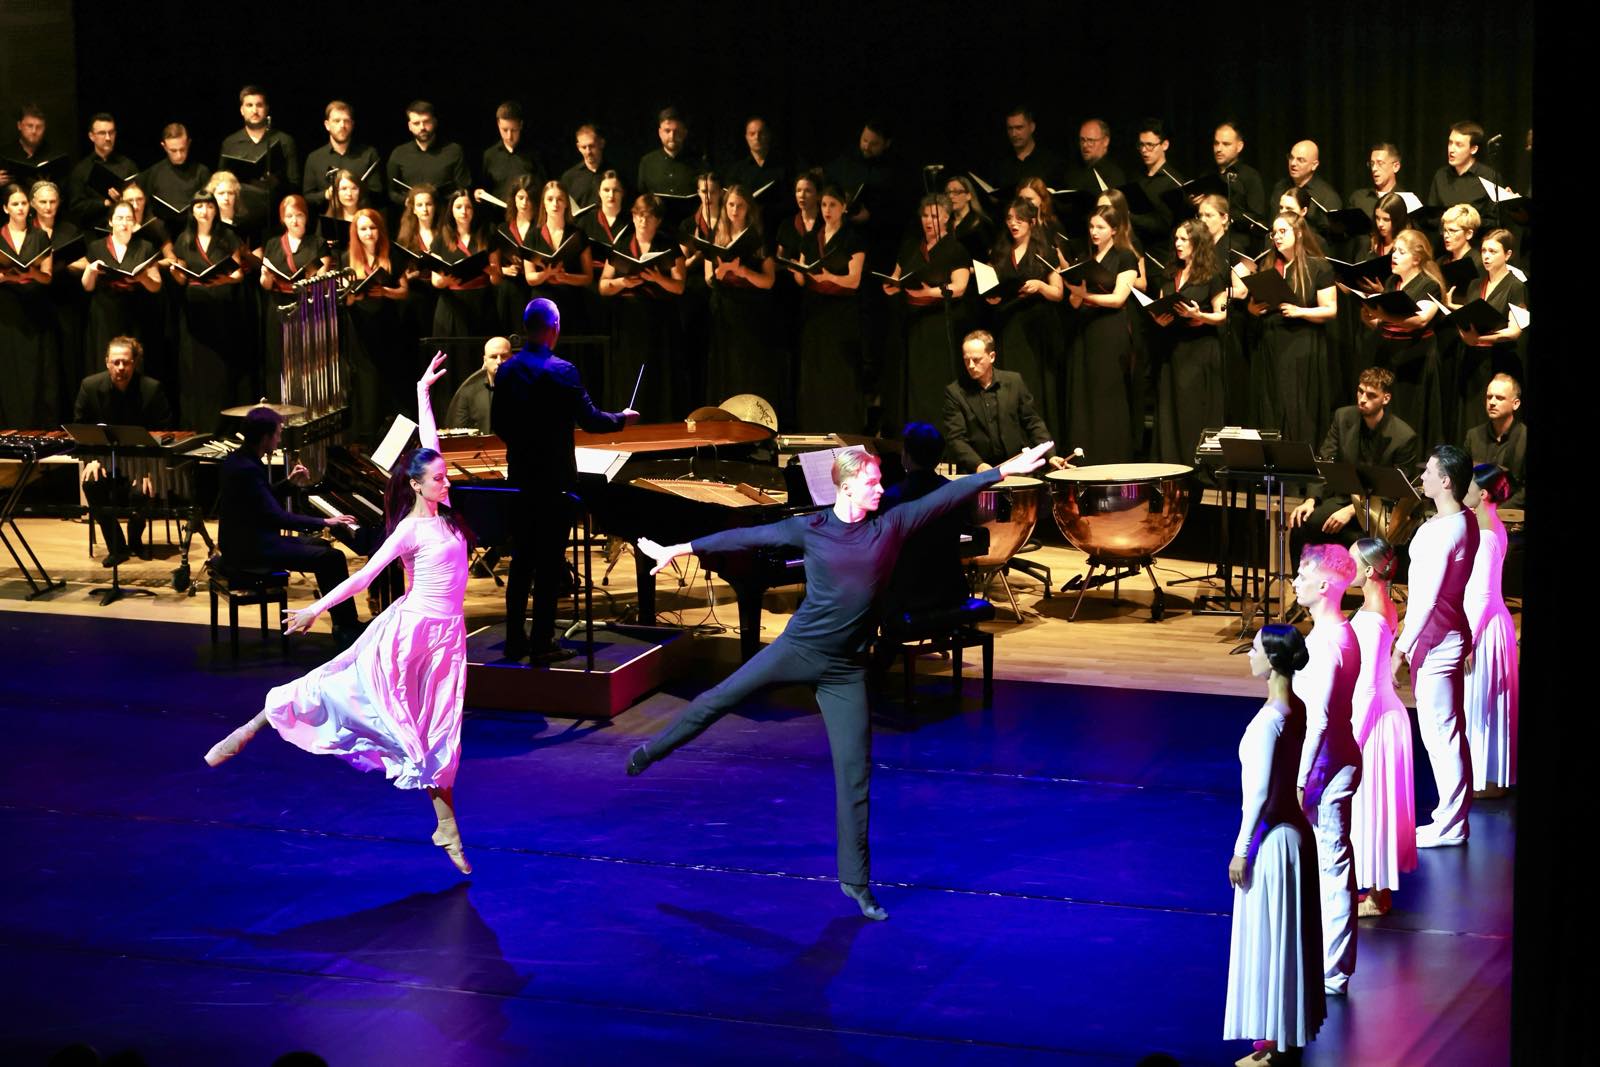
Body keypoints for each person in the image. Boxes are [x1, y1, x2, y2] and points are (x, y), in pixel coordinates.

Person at [628, 439, 1057, 920]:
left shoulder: (891, 525)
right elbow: (748, 536)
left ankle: (856, 882)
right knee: (717, 699)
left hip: (846, 671)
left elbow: (945, 496)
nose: (882, 489)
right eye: (873, 482)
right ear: (847, 487)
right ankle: (650, 752)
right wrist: (678, 549)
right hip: (796, 651)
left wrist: (1004, 469)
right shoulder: (811, 528)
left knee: (855, 776)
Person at [203, 355, 477, 877]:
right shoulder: (409, 530)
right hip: (410, 633)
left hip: (448, 639)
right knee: (345, 691)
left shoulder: (442, 509)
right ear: (417, 485)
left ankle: (446, 826)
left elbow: (430, 444)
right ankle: (254, 724)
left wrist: (423, 391)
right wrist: (316, 607)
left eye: (444, 478)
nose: (447, 483)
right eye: (439, 479)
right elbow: (361, 578)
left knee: (441, 734)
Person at [490, 298, 638, 661]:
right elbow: (591, 420)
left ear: (527, 327)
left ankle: (514, 641)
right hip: (555, 483)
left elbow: (499, 425)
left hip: (520, 479)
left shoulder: (507, 371)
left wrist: (524, 447)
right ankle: (542, 644)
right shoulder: (563, 371)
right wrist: (622, 419)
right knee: (548, 564)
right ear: (554, 328)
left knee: (522, 563)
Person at [1224, 623, 1325, 1065]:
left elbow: (1259, 794)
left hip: (1273, 840)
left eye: (1255, 649)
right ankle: (1283, 1034)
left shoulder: (1270, 721)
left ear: (1273, 660)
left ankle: (1276, 1043)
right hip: (1294, 836)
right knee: (1285, 940)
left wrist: (1241, 849)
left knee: (1272, 939)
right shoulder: (1295, 707)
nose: (1250, 655)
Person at [1393, 445, 1479, 848]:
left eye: (1428, 471)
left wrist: (1400, 649)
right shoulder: (1465, 520)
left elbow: (1426, 601)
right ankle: (1451, 818)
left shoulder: (1441, 532)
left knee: (1442, 734)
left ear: (1445, 481)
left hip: (1438, 640)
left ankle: (1451, 824)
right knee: (1446, 732)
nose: (1422, 477)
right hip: (1448, 635)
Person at [217, 405, 361, 643]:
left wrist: (289, 482)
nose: (279, 439)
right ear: (265, 437)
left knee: (323, 548)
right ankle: (346, 627)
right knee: (332, 558)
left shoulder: (240, 460)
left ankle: (343, 623)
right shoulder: (247, 468)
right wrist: (326, 521)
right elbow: (278, 517)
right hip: (250, 551)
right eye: (277, 434)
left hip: (248, 541)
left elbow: (260, 501)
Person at [1289, 544, 1363, 996]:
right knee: (1328, 864)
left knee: (1332, 865)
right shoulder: (1336, 634)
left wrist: (1300, 781)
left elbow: (1318, 720)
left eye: (1301, 575)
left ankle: (1334, 970)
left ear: (1323, 585)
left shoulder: (1328, 643)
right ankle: (1327, 960)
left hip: (1328, 766)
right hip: (1333, 760)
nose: (1294, 582)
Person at [1346, 537, 1417, 918]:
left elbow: (1370, 687)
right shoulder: (1381, 606)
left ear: (1370, 570)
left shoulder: (1373, 619)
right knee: (1373, 805)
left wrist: (1351, 738)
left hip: (1375, 721)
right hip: (1383, 715)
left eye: (1353, 561)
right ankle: (1377, 891)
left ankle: (1377, 895)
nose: (1347, 567)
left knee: (1372, 805)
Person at [1289, 367, 1420, 555]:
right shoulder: (1343, 417)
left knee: (1360, 536)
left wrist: (1353, 510)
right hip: (1344, 498)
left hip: (1379, 509)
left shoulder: (1404, 436)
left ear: (1386, 399)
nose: (1362, 399)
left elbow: (1397, 491)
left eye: (1371, 395)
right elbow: (1324, 461)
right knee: (1301, 523)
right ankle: (1303, 575)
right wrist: (1310, 500)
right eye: (1360, 391)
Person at [72, 337, 172, 565]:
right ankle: (117, 547)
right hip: (103, 462)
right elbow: (81, 429)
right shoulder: (90, 386)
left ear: (134, 363)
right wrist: (92, 459)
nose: (120, 367)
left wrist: (149, 470)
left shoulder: (151, 389)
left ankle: (135, 540)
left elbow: (163, 433)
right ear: (107, 362)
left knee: (143, 492)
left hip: (141, 463)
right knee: (91, 484)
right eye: (115, 362)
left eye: (125, 362)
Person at [1247, 212, 1336, 445]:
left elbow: (1330, 310)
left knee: (1297, 404)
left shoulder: (1318, 266)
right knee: (1271, 402)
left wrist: (1300, 311)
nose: (1277, 237)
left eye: (1282, 231)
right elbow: (1252, 306)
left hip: (1301, 343)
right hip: (1271, 342)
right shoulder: (1268, 265)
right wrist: (1254, 309)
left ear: (1298, 233)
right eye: (1274, 233)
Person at [881, 193, 970, 426]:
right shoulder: (911, 246)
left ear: (946, 218)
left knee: (935, 379)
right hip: (911, 322)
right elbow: (896, 276)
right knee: (913, 380)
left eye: (934, 216)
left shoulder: (955, 249)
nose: (928, 221)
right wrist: (892, 285)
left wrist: (928, 292)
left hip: (938, 322)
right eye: (925, 216)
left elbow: (960, 287)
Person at [597, 193, 687, 417]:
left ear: (658, 220)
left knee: (659, 369)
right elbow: (603, 286)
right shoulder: (622, 244)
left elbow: (679, 287)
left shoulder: (668, 245)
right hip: (629, 316)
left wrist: (658, 278)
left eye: (649, 217)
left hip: (660, 316)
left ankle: (660, 418)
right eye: (639, 215)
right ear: (633, 216)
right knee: (629, 371)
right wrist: (623, 282)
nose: (643, 221)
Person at [788, 183, 866, 433]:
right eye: (823, 205)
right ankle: (814, 425)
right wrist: (796, 271)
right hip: (814, 311)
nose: (827, 210)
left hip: (841, 311)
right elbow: (802, 279)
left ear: (843, 208)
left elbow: (854, 280)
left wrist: (828, 277)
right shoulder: (811, 237)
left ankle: (842, 426)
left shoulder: (852, 238)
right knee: (815, 368)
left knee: (838, 369)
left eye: (832, 205)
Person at [168, 189, 246, 431]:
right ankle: (196, 425)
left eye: (210, 206)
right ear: (192, 211)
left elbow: (238, 273)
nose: (205, 211)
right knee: (194, 368)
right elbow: (182, 279)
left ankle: (222, 426)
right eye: (199, 206)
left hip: (221, 306)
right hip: (194, 307)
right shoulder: (184, 239)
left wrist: (223, 279)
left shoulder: (228, 236)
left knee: (220, 370)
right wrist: (175, 272)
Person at [1151, 218, 1227, 464]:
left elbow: (1222, 315)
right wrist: (1159, 319)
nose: (1178, 244)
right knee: (1170, 408)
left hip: (1199, 349)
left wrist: (1199, 315)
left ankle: (1197, 467)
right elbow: (1160, 304)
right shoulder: (1170, 273)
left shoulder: (1211, 276)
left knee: (1193, 410)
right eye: (1176, 239)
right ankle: (1172, 464)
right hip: (1172, 348)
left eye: (1184, 239)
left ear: (1197, 243)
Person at [984, 197, 1064, 435]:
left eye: (1019, 219)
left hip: (1035, 327)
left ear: (1031, 222)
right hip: (1007, 324)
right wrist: (991, 296)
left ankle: (1037, 439)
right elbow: (990, 285)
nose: (1013, 224)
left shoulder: (1044, 252)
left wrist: (1040, 286)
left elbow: (1058, 293)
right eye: (1010, 219)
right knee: (1008, 382)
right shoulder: (1000, 252)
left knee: (1032, 382)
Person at [1359, 228, 1446, 447]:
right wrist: (1369, 315)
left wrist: (1383, 315)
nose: (1394, 256)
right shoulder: (1392, 282)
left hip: (1415, 358)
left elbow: (1421, 319)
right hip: (1389, 356)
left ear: (1416, 259)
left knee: (1410, 413)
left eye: (1401, 252)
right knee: (1387, 413)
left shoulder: (1429, 284)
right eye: (1394, 250)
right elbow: (1383, 323)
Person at [1066, 205, 1139, 463]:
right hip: (1086, 328)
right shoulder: (1085, 258)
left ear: (1114, 230)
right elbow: (1074, 302)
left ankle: (1113, 457)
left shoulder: (1125, 257)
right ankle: (1086, 457)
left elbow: (1119, 298)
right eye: (1091, 226)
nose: (1094, 232)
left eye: (1100, 227)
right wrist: (1075, 292)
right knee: (1084, 392)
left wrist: (1086, 295)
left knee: (1108, 392)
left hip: (1110, 329)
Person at [1463, 464, 1517, 797]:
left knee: (1479, 703)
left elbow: (1481, 594)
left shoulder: (1485, 535)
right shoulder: (1493, 526)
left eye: (1468, 487)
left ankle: (1482, 780)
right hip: (1492, 622)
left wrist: (1468, 640)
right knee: (1486, 703)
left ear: (1482, 494)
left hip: (1482, 626)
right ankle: (1488, 778)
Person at [941, 330, 1065, 473]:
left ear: (991, 357)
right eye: (966, 360)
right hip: (977, 473)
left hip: (1015, 469)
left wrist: (1050, 455)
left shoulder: (1014, 382)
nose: (970, 365)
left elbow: (1032, 422)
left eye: (976, 359)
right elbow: (956, 438)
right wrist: (978, 465)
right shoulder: (955, 392)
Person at [702, 183, 780, 405]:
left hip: (751, 310)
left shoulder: (758, 238)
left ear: (749, 209)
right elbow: (709, 279)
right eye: (730, 205)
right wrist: (723, 271)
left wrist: (743, 271)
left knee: (749, 366)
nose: (734, 210)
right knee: (726, 364)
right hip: (724, 308)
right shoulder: (716, 235)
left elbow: (768, 281)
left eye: (740, 206)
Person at [342, 208, 409, 442]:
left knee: (389, 374)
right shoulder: (347, 258)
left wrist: (385, 291)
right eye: (363, 229)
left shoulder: (392, 255)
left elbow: (404, 291)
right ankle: (366, 431)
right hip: (360, 326)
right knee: (365, 377)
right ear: (356, 232)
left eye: (372, 228)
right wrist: (353, 297)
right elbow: (345, 299)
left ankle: (390, 428)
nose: (368, 233)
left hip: (387, 323)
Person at [1454, 229, 1527, 437]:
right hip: (1472, 359)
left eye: (1493, 251)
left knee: (1494, 420)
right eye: (1484, 250)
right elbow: (1467, 318)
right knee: (1470, 419)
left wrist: (1479, 338)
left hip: (1499, 360)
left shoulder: (1515, 286)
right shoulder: (1475, 284)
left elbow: (1514, 331)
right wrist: (1464, 332)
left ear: (1508, 255)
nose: (1486, 256)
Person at [81, 199, 161, 378]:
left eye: (128, 218)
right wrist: (90, 271)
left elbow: (156, 285)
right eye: (119, 218)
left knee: (134, 363)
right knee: (104, 364)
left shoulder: (145, 247)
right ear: (110, 221)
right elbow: (87, 287)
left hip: (135, 312)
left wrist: (143, 278)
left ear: (135, 222)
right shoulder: (97, 247)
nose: (124, 223)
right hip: (104, 312)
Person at [0, 181, 55, 427]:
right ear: (5, 208)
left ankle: (36, 426)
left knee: (35, 369)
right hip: (7, 308)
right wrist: (7, 278)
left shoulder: (40, 236)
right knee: (9, 367)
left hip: (34, 307)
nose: (21, 208)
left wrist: (32, 273)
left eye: (23, 203)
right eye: (15, 204)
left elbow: (47, 277)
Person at [219, 86, 300, 222]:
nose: (254, 110)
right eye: (249, 105)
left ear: (266, 108)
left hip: (275, 216)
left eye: (259, 105)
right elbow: (220, 182)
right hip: (241, 216)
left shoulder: (284, 141)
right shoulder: (230, 143)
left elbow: (295, 184)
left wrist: (277, 183)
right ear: (242, 110)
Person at [386, 101, 471, 210]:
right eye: (416, 123)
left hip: (445, 214)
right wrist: (406, 200)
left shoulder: (453, 151)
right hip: (412, 215)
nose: (422, 127)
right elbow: (392, 191)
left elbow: (463, 187)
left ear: (434, 122)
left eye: (426, 122)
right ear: (410, 126)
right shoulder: (399, 153)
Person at [303, 100, 383, 212]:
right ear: (327, 125)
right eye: (336, 121)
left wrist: (355, 191)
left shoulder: (369, 154)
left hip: (360, 219)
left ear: (352, 125)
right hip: (327, 220)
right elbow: (307, 197)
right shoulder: (315, 158)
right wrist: (326, 194)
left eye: (346, 121)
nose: (342, 125)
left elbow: (377, 192)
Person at [1464, 374, 1526, 508]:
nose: (1492, 402)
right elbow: (1464, 478)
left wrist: (1494, 511)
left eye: (1499, 398)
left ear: (1515, 404)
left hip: (1510, 514)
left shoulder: (1524, 438)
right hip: (1476, 511)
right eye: (1489, 397)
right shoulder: (1473, 436)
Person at [66, 113, 137, 229]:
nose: (108, 138)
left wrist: (121, 200)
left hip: (125, 228)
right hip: (93, 231)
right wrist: (105, 203)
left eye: (111, 132)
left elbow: (139, 199)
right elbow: (76, 207)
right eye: (102, 133)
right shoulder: (81, 169)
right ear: (91, 136)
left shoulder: (128, 166)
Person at [1128, 118, 1185, 254]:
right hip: (1134, 251)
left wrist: (1129, 216)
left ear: (1164, 145)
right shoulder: (1137, 176)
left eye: (1150, 145)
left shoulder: (1173, 182)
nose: (1144, 150)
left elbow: (1164, 225)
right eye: (1141, 145)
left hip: (1160, 256)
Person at [1269, 140, 1342, 242]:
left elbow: (1331, 239)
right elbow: (1272, 224)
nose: (1293, 163)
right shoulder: (1280, 188)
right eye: (1291, 157)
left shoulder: (1327, 196)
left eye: (1300, 160)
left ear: (1314, 165)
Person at [1426, 122, 1503, 217]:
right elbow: (1431, 216)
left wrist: (1468, 221)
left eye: (1459, 145)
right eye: (1450, 143)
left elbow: (1495, 219)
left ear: (1473, 149)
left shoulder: (1490, 177)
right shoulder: (1441, 175)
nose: (1451, 150)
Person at [478, 100, 542, 205]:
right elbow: (484, 188)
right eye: (505, 130)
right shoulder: (490, 155)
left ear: (521, 125)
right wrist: (479, 193)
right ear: (498, 124)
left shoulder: (534, 154)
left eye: (514, 130)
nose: (509, 136)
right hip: (498, 214)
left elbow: (543, 187)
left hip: (527, 212)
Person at [989, 105, 1065, 191]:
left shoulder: (1050, 162)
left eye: (1019, 128)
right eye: (1010, 128)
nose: (1013, 134)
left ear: (1032, 127)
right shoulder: (1000, 164)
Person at [140, 123, 211, 213]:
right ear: (164, 147)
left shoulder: (201, 172)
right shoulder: (153, 173)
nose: (179, 155)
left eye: (182, 149)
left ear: (188, 144)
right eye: (173, 150)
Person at [445, 336, 511, 432]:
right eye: (493, 357)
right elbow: (456, 431)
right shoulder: (469, 391)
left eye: (504, 356)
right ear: (485, 360)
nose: (499, 361)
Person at [1211, 121, 1267, 226]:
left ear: (1239, 147)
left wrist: (1229, 215)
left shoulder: (1250, 176)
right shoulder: (1207, 175)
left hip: (1238, 234)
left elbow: (1257, 217)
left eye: (1226, 144)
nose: (1218, 149)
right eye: (1216, 143)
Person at [636, 107, 699, 200]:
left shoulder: (698, 162)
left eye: (676, 131)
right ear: (660, 133)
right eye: (667, 131)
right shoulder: (647, 162)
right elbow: (641, 197)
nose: (672, 136)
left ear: (684, 133)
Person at [1063, 118, 1126, 194]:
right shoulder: (1071, 172)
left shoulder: (1115, 175)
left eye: (1090, 140)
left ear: (1105, 141)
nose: (1085, 145)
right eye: (1082, 140)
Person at [560, 123, 610, 212]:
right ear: (578, 147)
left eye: (592, 146)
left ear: (601, 144)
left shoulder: (615, 174)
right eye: (584, 147)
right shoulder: (569, 178)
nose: (588, 152)